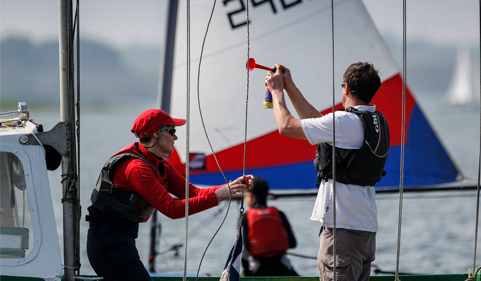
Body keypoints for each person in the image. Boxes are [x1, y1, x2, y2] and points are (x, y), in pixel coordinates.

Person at [86, 109, 253, 281]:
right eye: (172, 132)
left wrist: (231, 187)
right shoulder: (137, 168)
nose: (176, 138)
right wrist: (218, 196)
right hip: (108, 243)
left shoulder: (159, 163)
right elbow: (171, 209)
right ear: (156, 135)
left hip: (121, 240)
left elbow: (193, 192)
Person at [265, 62, 390, 281]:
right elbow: (317, 122)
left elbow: (286, 126)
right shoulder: (375, 121)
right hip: (365, 231)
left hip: (343, 232)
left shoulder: (344, 122)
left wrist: (276, 91)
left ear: (347, 89)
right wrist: (290, 86)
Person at [241, 177, 298, 276]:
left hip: (258, 270)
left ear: (250, 197)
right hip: (282, 267)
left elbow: (243, 251)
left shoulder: (246, 218)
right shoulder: (280, 214)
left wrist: (246, 270)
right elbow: (293, 243)